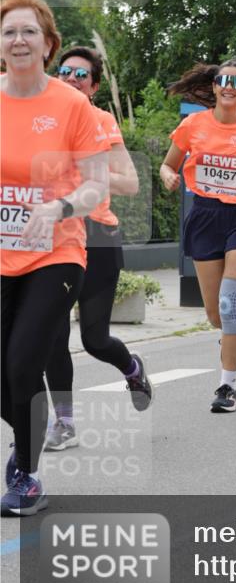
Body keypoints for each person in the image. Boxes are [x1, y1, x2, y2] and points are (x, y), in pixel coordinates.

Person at [1, 0, 110, 516]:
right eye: (8, 32)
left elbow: (97, 186)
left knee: (23, 365)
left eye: (28, 32)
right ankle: (29, 432)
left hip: (55, 251)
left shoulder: (72, 105)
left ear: (47, 44)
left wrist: (60, 207)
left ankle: (26, 471)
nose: (18, 40)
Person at [44, 47, 151, 451]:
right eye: (65, 72)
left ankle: (132, 367)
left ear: (94, 86)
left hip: (99, 237)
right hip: (55, 237)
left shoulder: (102, 121)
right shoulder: (42, 120)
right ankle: (65, 422)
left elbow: (130, 183)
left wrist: (90, 169)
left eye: (82, 76)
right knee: (54, 336)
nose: (72, 79)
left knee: (93, 339)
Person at [160, 60, 236, 413]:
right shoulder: (192, 125)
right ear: (214, 87)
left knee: (230, 304)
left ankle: (227, 387)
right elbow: (169, 163)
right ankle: (228, 335)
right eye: (222, 80)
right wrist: (168, 175)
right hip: (205, 216)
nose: (228, 86)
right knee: (215, 313)